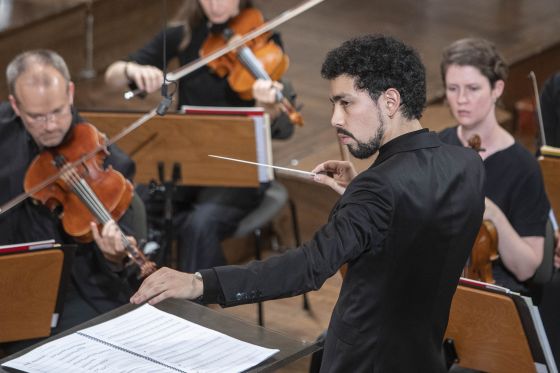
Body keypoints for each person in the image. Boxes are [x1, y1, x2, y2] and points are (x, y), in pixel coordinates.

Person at [130, 34, 486, 372]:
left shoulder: (377, 190)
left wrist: (198, 282)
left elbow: (307, 268)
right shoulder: (468, 166)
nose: (335, 119)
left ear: (390, 102)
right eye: (334, 105)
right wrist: (360, 197)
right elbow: (414, 234)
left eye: (346, 103)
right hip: (424, 358)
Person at [104, 0, 297, 273]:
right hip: (190, 160)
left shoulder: (261, 35)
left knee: (200, 223)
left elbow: (278, 126)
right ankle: (135, 282)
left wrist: (266, 107)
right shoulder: (183, 34)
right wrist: (131, 70)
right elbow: (112, 76)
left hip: (239, 167)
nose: (215, 4)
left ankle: (195, 303)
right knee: (139, 200)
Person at [0, 49, 142, 348]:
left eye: (58, 111)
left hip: (76, 290)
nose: (50, 125)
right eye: (36, 116)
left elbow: (120, 263)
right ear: (15, 105)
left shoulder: (110, 163)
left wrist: (114, 255)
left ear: (71, 93)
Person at [438, 38, 551, 295]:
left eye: (473, 88)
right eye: (453, 88)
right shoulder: (437, 146)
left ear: (497, 88)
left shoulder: (523, 166)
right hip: (436, 284)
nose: (461, 99)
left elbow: (527, 268)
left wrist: (493, 214)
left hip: (493, 291)